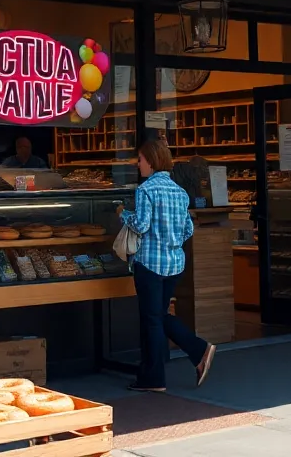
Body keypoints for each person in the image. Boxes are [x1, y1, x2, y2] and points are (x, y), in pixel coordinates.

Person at [118, 139, 215, 392]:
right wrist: (170, 243)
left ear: (151, 161)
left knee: (152, 320)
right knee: (158, 316)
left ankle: (156, 377)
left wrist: (122, 214)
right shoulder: (179, 192)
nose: (137, 164)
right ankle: (195, 352)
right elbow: (188, 229)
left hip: (149, 264)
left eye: (140, 159)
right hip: (174, 265)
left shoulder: (146, 190)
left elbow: (141, 225)